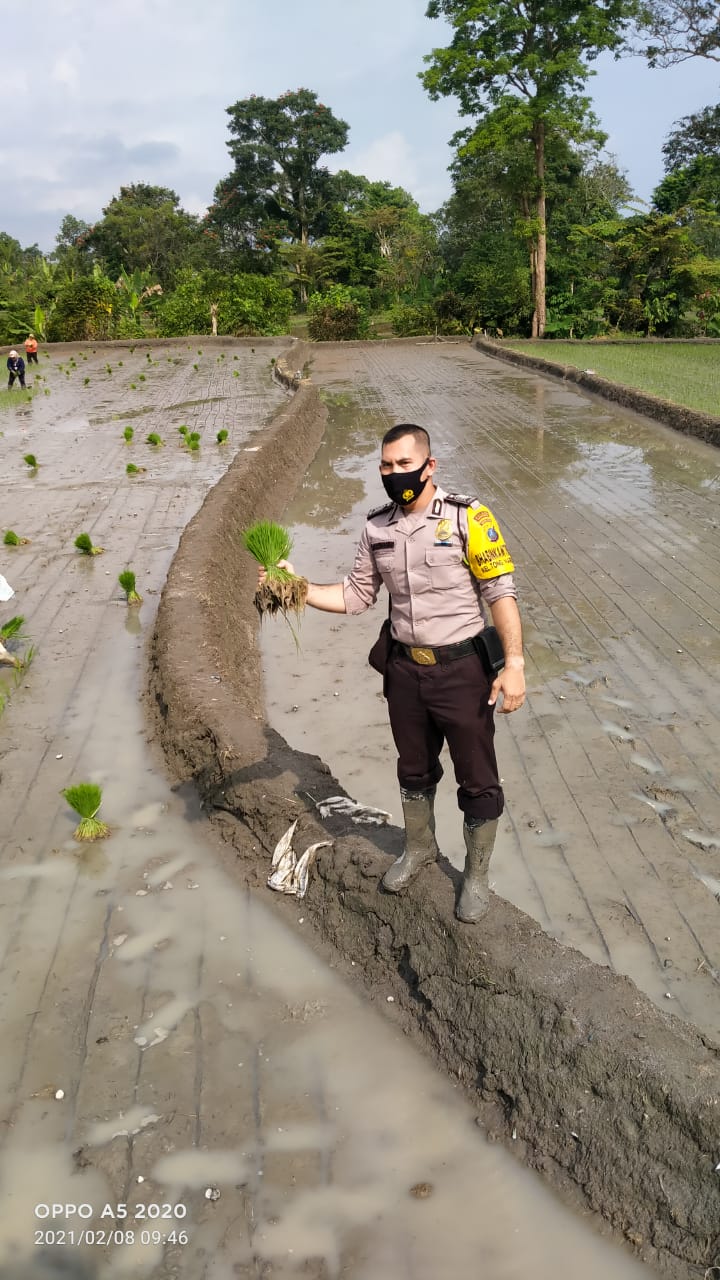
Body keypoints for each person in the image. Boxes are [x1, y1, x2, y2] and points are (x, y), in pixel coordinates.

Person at [261, 423, 526, 923]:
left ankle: (476, 875)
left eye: (405, 464)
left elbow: (500, 594)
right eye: (386, 465)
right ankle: (420, 848)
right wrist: (297, 587)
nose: (394, 474)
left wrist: (513, 664)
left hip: (463, 671)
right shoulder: (377, 527)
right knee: (413, 768)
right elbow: (355, 595)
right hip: (405, 671)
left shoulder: (469, 518)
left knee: (478, 779)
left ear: (430, 466)